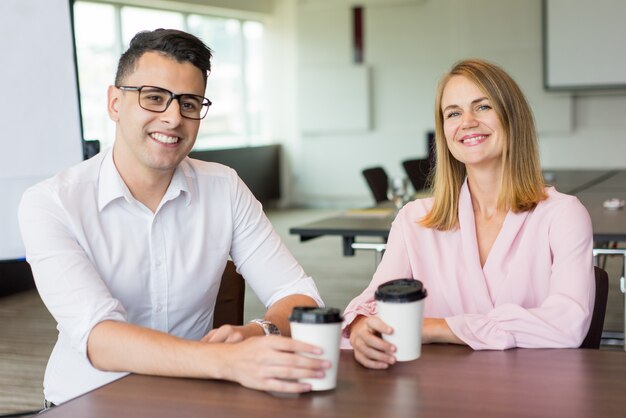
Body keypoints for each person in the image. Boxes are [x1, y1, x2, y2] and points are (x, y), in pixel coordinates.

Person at [18, 29, 329, 405]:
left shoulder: (224, 187)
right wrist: (225, 360)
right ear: (115, 103)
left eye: (189, 103)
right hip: (88, 401)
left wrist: (259, 332)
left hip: (195, 397)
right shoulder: (50, 203)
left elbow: (300, 296)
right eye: (154, 98)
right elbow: (99, 337)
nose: (173, 118)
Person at [342, 59, 595, 369]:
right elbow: (372, 305)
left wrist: (435, 327)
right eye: (454, 113)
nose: (467, 122)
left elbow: (568, 325)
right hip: (438, 395)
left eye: (483, 107)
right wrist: (358, 327)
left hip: (535, 392)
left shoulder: (563, 215)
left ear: (513, 118)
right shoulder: (414, 219)